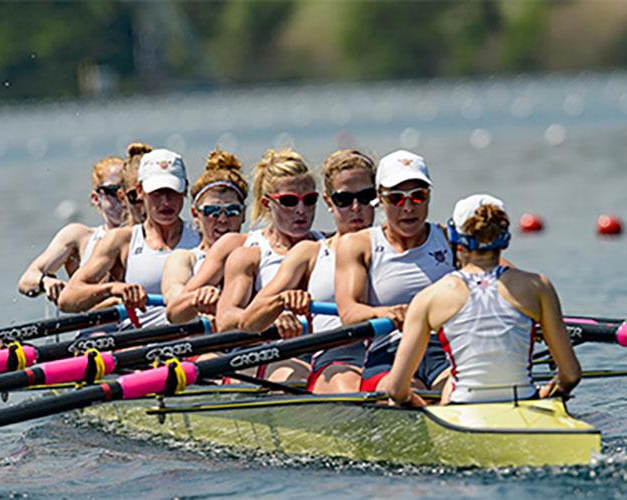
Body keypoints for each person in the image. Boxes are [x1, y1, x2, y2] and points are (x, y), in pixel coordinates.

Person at [381, 194, 581, 406]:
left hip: (461, 408)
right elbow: (570, 375)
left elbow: (396, 390)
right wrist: (545, 397)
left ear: (455, 239)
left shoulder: (429, 298)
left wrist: (430, 411)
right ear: (504, 238)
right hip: (525, 402)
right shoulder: (539, 286)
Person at [240, 150, 376, 393]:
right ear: (329, 202)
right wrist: (281, 303)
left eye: (366, 197)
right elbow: (249, 321)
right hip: (334, 357)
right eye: (344, 200)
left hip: (392, 352)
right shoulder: (309, 252)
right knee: (348, 385)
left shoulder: (404, 246)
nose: (356, 207)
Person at [335, 150, 455, 393]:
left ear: (429, 196)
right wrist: (389, 313)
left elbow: (502, 277)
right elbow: (349, 312)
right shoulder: (358, 245)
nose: (409, 207)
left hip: (441, 351)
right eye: (397, 198)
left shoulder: (450, 239)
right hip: (388, 352)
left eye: (418, 196)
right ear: (380, 198)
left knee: (455, 389)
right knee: (411, 392)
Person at [58, 149, 200, 327]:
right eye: (157, 193)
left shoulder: (201, 235)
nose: (165, 202)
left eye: (172, 191)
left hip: (194, 342)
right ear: (140, 191)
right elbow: (67, 298)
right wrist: (112, 289)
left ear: (185, 189)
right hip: (138, 345)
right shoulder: (121, 240)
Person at [215, 148, 323, 382]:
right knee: (299, 378)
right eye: (289, 201)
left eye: (310, 200)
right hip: (263, 352)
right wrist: (271, 316)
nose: (301, 210)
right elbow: (225, 320)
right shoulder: (250, 255)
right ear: (266, 204)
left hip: (319, 350)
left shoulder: (329, 246)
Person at [18, 155, 125, 304]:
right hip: (96, 324)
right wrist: (46, 282)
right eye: (114, 191)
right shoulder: (78, 237)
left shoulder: (150, 235)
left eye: (128, 190)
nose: (123, 198)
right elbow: (27, 280)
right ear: (96, 198)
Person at [163, 149, 248, 325]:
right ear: (195, 214)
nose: (223, 220)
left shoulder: (256, 252)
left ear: (244, 214)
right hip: (200, 346)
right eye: (212, 212)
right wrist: (196, 298)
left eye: (232, 211)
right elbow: (174, 297)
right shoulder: (184, 258)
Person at [118, 142, 151, 225]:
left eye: (151, 193)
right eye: (134, 195)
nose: (145, 204)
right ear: (122, 197)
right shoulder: (114, 237)